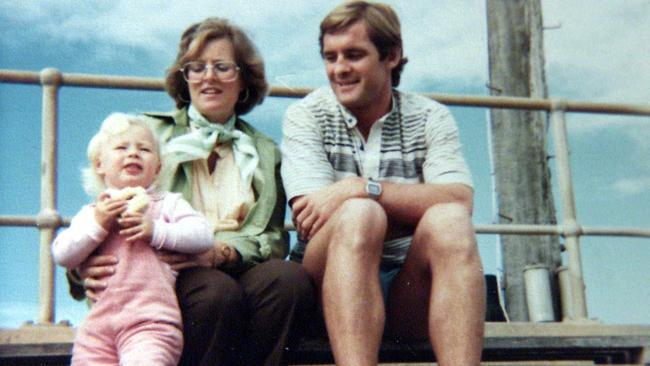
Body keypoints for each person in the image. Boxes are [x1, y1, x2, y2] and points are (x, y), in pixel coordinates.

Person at [67, 17, 315, 366]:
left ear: (243, 79)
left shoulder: (265, 150)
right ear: (184, 78)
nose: (208, 77)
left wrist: (223, 252)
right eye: (196, 67)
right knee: (215, 292)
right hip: (165, 270)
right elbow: (103, 202)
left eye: (222, 67)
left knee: (288, 281)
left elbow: (273, 239)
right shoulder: (149, 133)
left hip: (234, 262)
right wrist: (80, 268)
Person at [281, 2, 485, 365]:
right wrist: (407, 208)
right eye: (331, 57)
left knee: (449, 222)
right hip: (327, 285)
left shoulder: (430, 117)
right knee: (360, 216)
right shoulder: (306, 116)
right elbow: (312, 219)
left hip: (409, 289)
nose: (339, 69)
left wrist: (363, 187)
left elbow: (458, 201)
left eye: (354, 55)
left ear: (391, 56)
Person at [53, 113, 214, 365]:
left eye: (144, 149)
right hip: (97, 328)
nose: (133, 154)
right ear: (99, 165)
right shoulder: (92, 213)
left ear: (158, 168)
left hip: (150, 322)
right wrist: (99, 223)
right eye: (121, 147)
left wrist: (156, 231)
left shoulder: (166, 204)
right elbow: (63, 254)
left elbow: (203, 236)